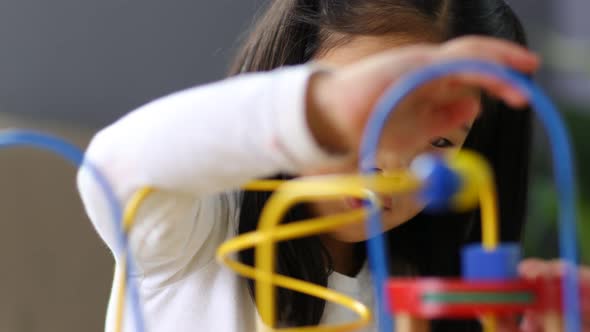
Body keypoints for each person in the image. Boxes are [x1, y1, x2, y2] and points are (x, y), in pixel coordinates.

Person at [77, 1, 589, 331]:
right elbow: (114, 168)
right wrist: (326, 110)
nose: (392, 162)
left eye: (437, 139)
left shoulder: (415, 296)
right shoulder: (197, 233)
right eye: (369, 117)